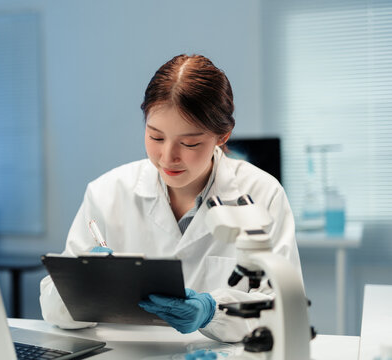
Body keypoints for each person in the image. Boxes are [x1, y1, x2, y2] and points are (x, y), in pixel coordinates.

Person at [40, 54, 302, 342]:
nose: (168, 157)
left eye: (189, 143)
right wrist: (81, 282)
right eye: (155, 137)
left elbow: (283, 307)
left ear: (223, 136)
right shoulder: (107, 192)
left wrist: (213, 311)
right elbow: (53, 309)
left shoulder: (263, 194)